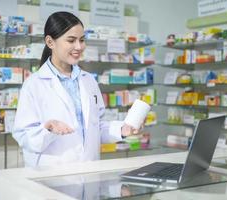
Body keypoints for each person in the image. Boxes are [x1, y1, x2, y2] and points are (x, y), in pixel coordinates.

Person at [13, 11, 142, 167]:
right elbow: (24, 137)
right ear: (50, 42)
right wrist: (48, 129)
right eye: (71, 40)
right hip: (51, 174)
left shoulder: (88, 81)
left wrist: (122, 130)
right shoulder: (34, 85)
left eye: (82, 40)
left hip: (88, 169)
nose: (79, 47)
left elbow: (96, 127)